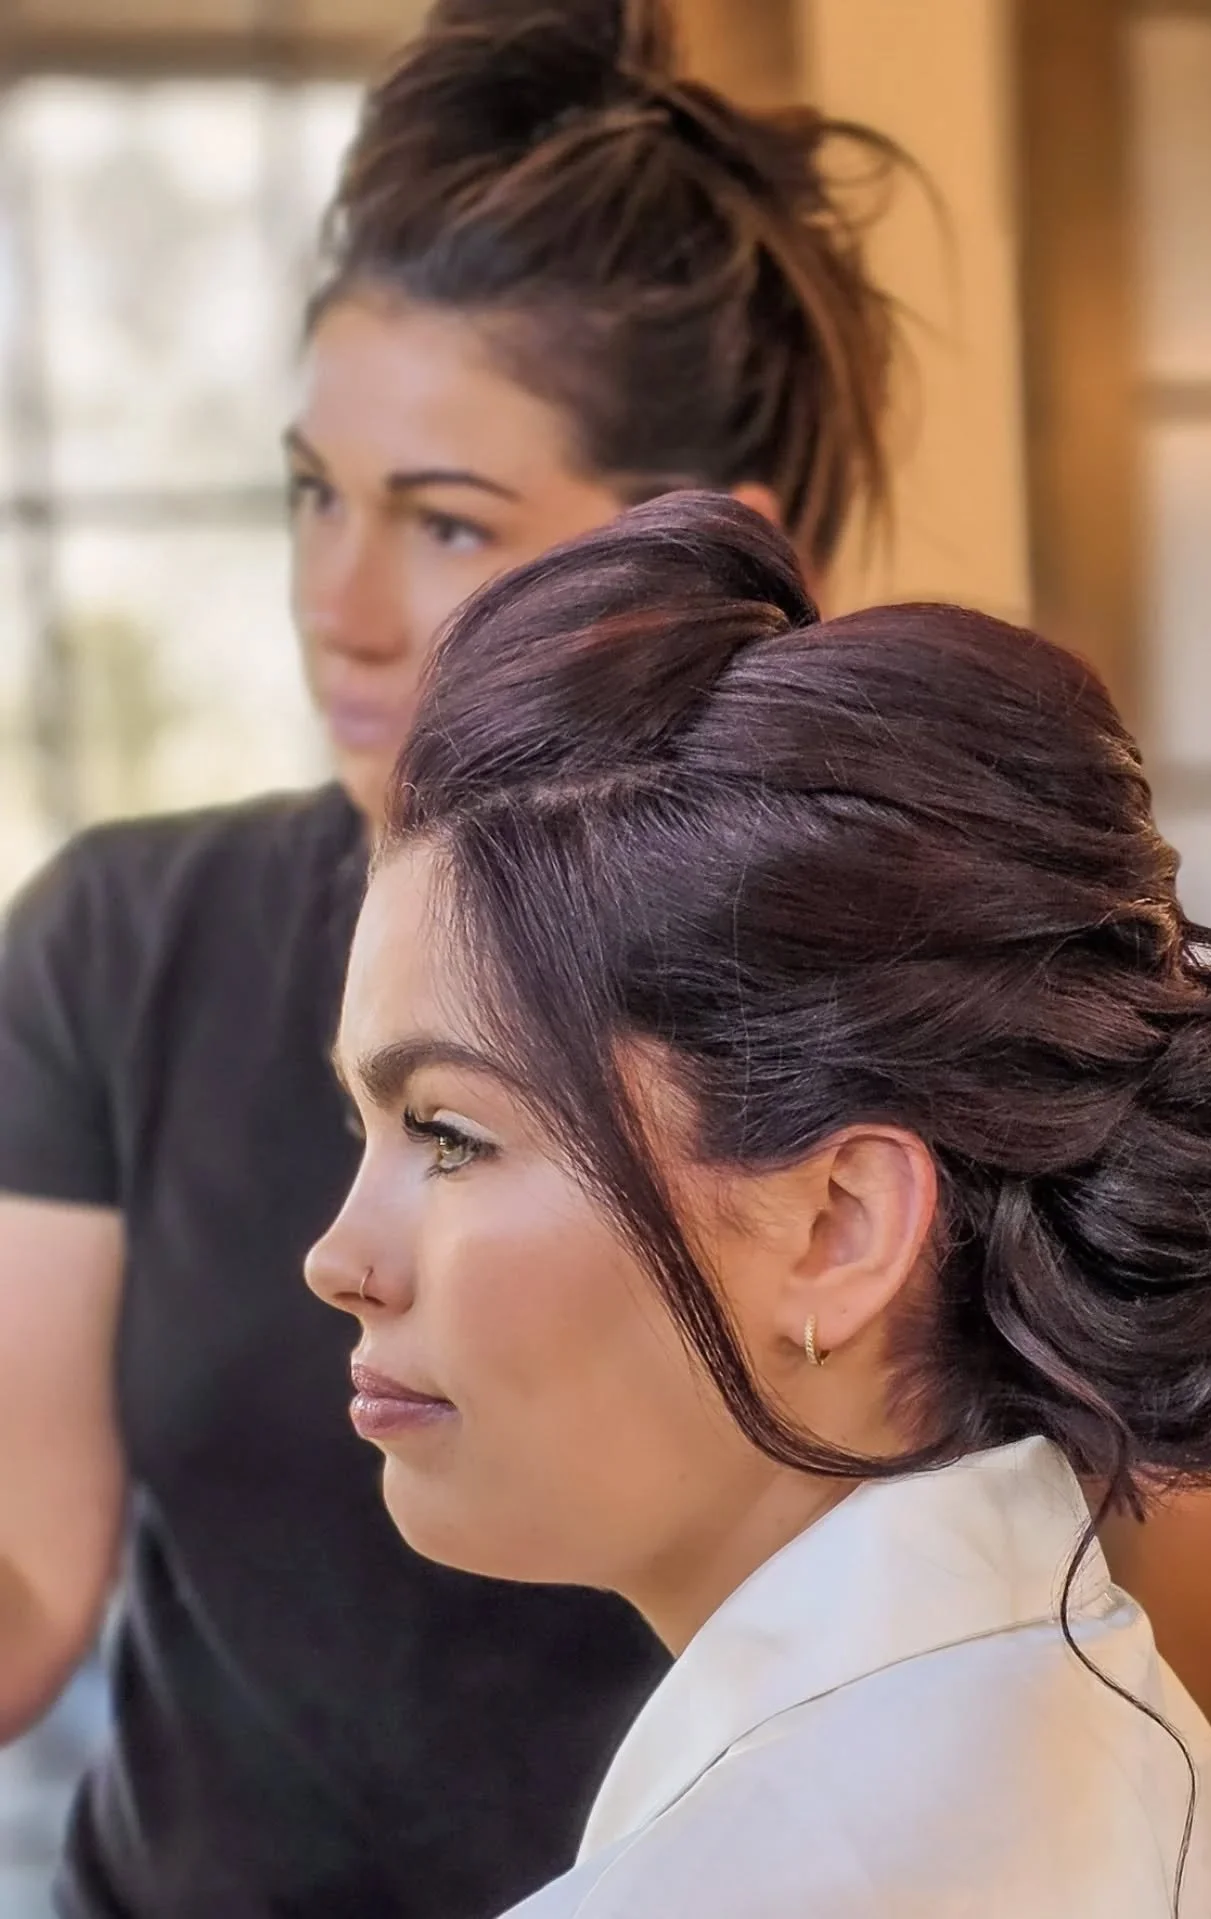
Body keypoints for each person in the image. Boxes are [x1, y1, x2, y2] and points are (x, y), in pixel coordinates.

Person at [0, 4, 903, 1913]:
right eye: (315, 492)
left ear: (707, 550)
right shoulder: (116, 939)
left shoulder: (860, 1010)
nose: (334, 603)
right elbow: (24, 1588)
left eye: (444, 521)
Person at [308, 492, 1211, 1919]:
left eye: (447, 1132)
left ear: (838, 1227)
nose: (340, 1258)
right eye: (364, 1123)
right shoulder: (1094, 1720)